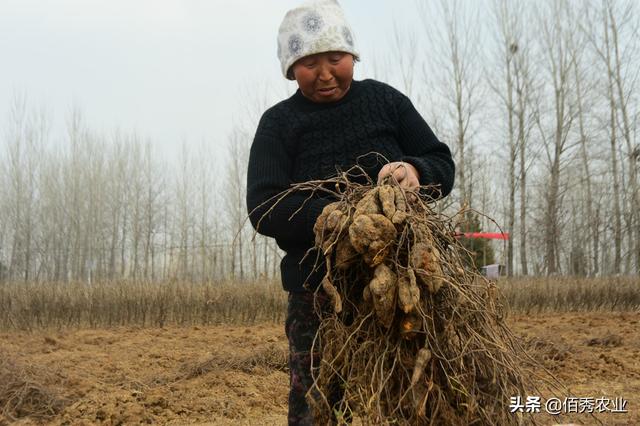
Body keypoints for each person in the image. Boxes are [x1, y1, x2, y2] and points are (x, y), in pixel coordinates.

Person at [246, 1, 455, 424]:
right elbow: (264, 207)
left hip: (403, 286)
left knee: (412, 397)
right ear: (290, 68)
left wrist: (414, 170)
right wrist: (338, 219)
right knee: (318, 406)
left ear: (352, 56)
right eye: (308, 63)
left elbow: (441, 163)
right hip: (316, 291)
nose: (325, 73)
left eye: (335, 59)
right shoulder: (278, 123)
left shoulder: (386, 102)